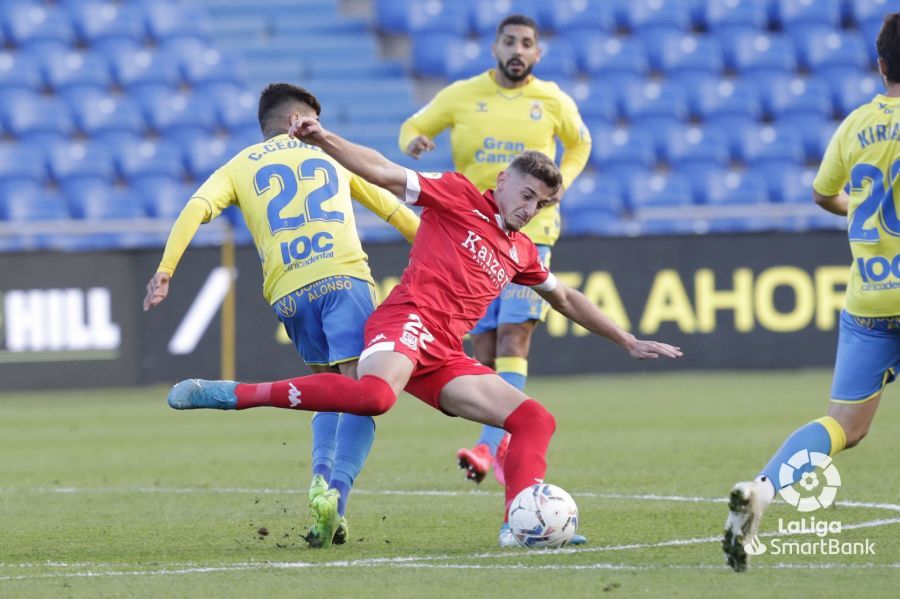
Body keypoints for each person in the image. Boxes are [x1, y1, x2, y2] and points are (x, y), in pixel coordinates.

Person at [165, 117, 682, 548]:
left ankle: (519, 523)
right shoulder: (458, 195)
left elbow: (565, 298)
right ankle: (233, 395)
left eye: (541, 205)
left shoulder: (522, 251)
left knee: (534, 419)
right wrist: (324, 139)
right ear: (502, 180)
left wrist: (627, 340)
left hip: (442, 354)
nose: (529, 210)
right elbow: (386, 173)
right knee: (373, 398)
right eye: (526, 195)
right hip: (406, 319)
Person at [142, 83, 419, 549]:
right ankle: (337, 494)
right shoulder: (333, 154)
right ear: (298, 120)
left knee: (326, 393)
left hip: (289, 292)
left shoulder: (237, 166)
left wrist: (165, 270)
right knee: (364, 393)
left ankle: (318, 481)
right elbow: (397, 212)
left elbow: (195, 209)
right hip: (344, 279)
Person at [722, 13, 900, 572]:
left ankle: (764, 490)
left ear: (880, 65)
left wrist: (860, 209)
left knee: (844, 425)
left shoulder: (854, 125)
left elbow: (824, 195)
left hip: (869, 300)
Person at [399, 14, 592, 490]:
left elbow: (580, 142)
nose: (518, 49)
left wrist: (559, 187)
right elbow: (413, 125)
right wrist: (416, 142)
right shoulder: (462, 94)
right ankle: (504, 448)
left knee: (513, 339)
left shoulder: (552, 100)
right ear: (495, 47)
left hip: (531, 239)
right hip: (471, 238)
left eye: (527, 43)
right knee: (483, 352)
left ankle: (488, 448)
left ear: (537, 54)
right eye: (510, 41)